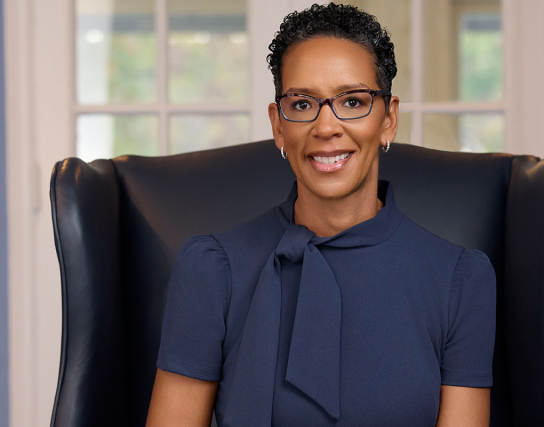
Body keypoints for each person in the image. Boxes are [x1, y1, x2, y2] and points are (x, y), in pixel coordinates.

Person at [146, 3, 496, 427]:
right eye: (302, 103)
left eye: (352, 101)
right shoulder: (212, 270)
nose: (326, 127)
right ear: (279, 125)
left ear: (389, 120)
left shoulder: (459, 281)